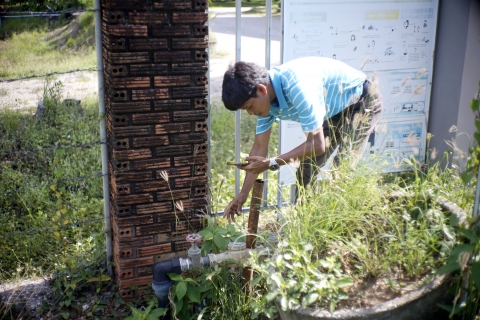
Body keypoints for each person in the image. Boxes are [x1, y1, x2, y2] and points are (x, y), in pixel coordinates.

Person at [221, 56, 383, 222]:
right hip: (333, 111)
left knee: (341, 169)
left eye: (249, 107)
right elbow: (259, 147)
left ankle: (341, 225)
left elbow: (317, 145)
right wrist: (243, 194)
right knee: (307, 168)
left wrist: (272, 162)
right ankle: (305, 224)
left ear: (261, 89)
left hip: (362, 101)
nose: (250, 113)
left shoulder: (298, 88)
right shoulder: (265, 101)